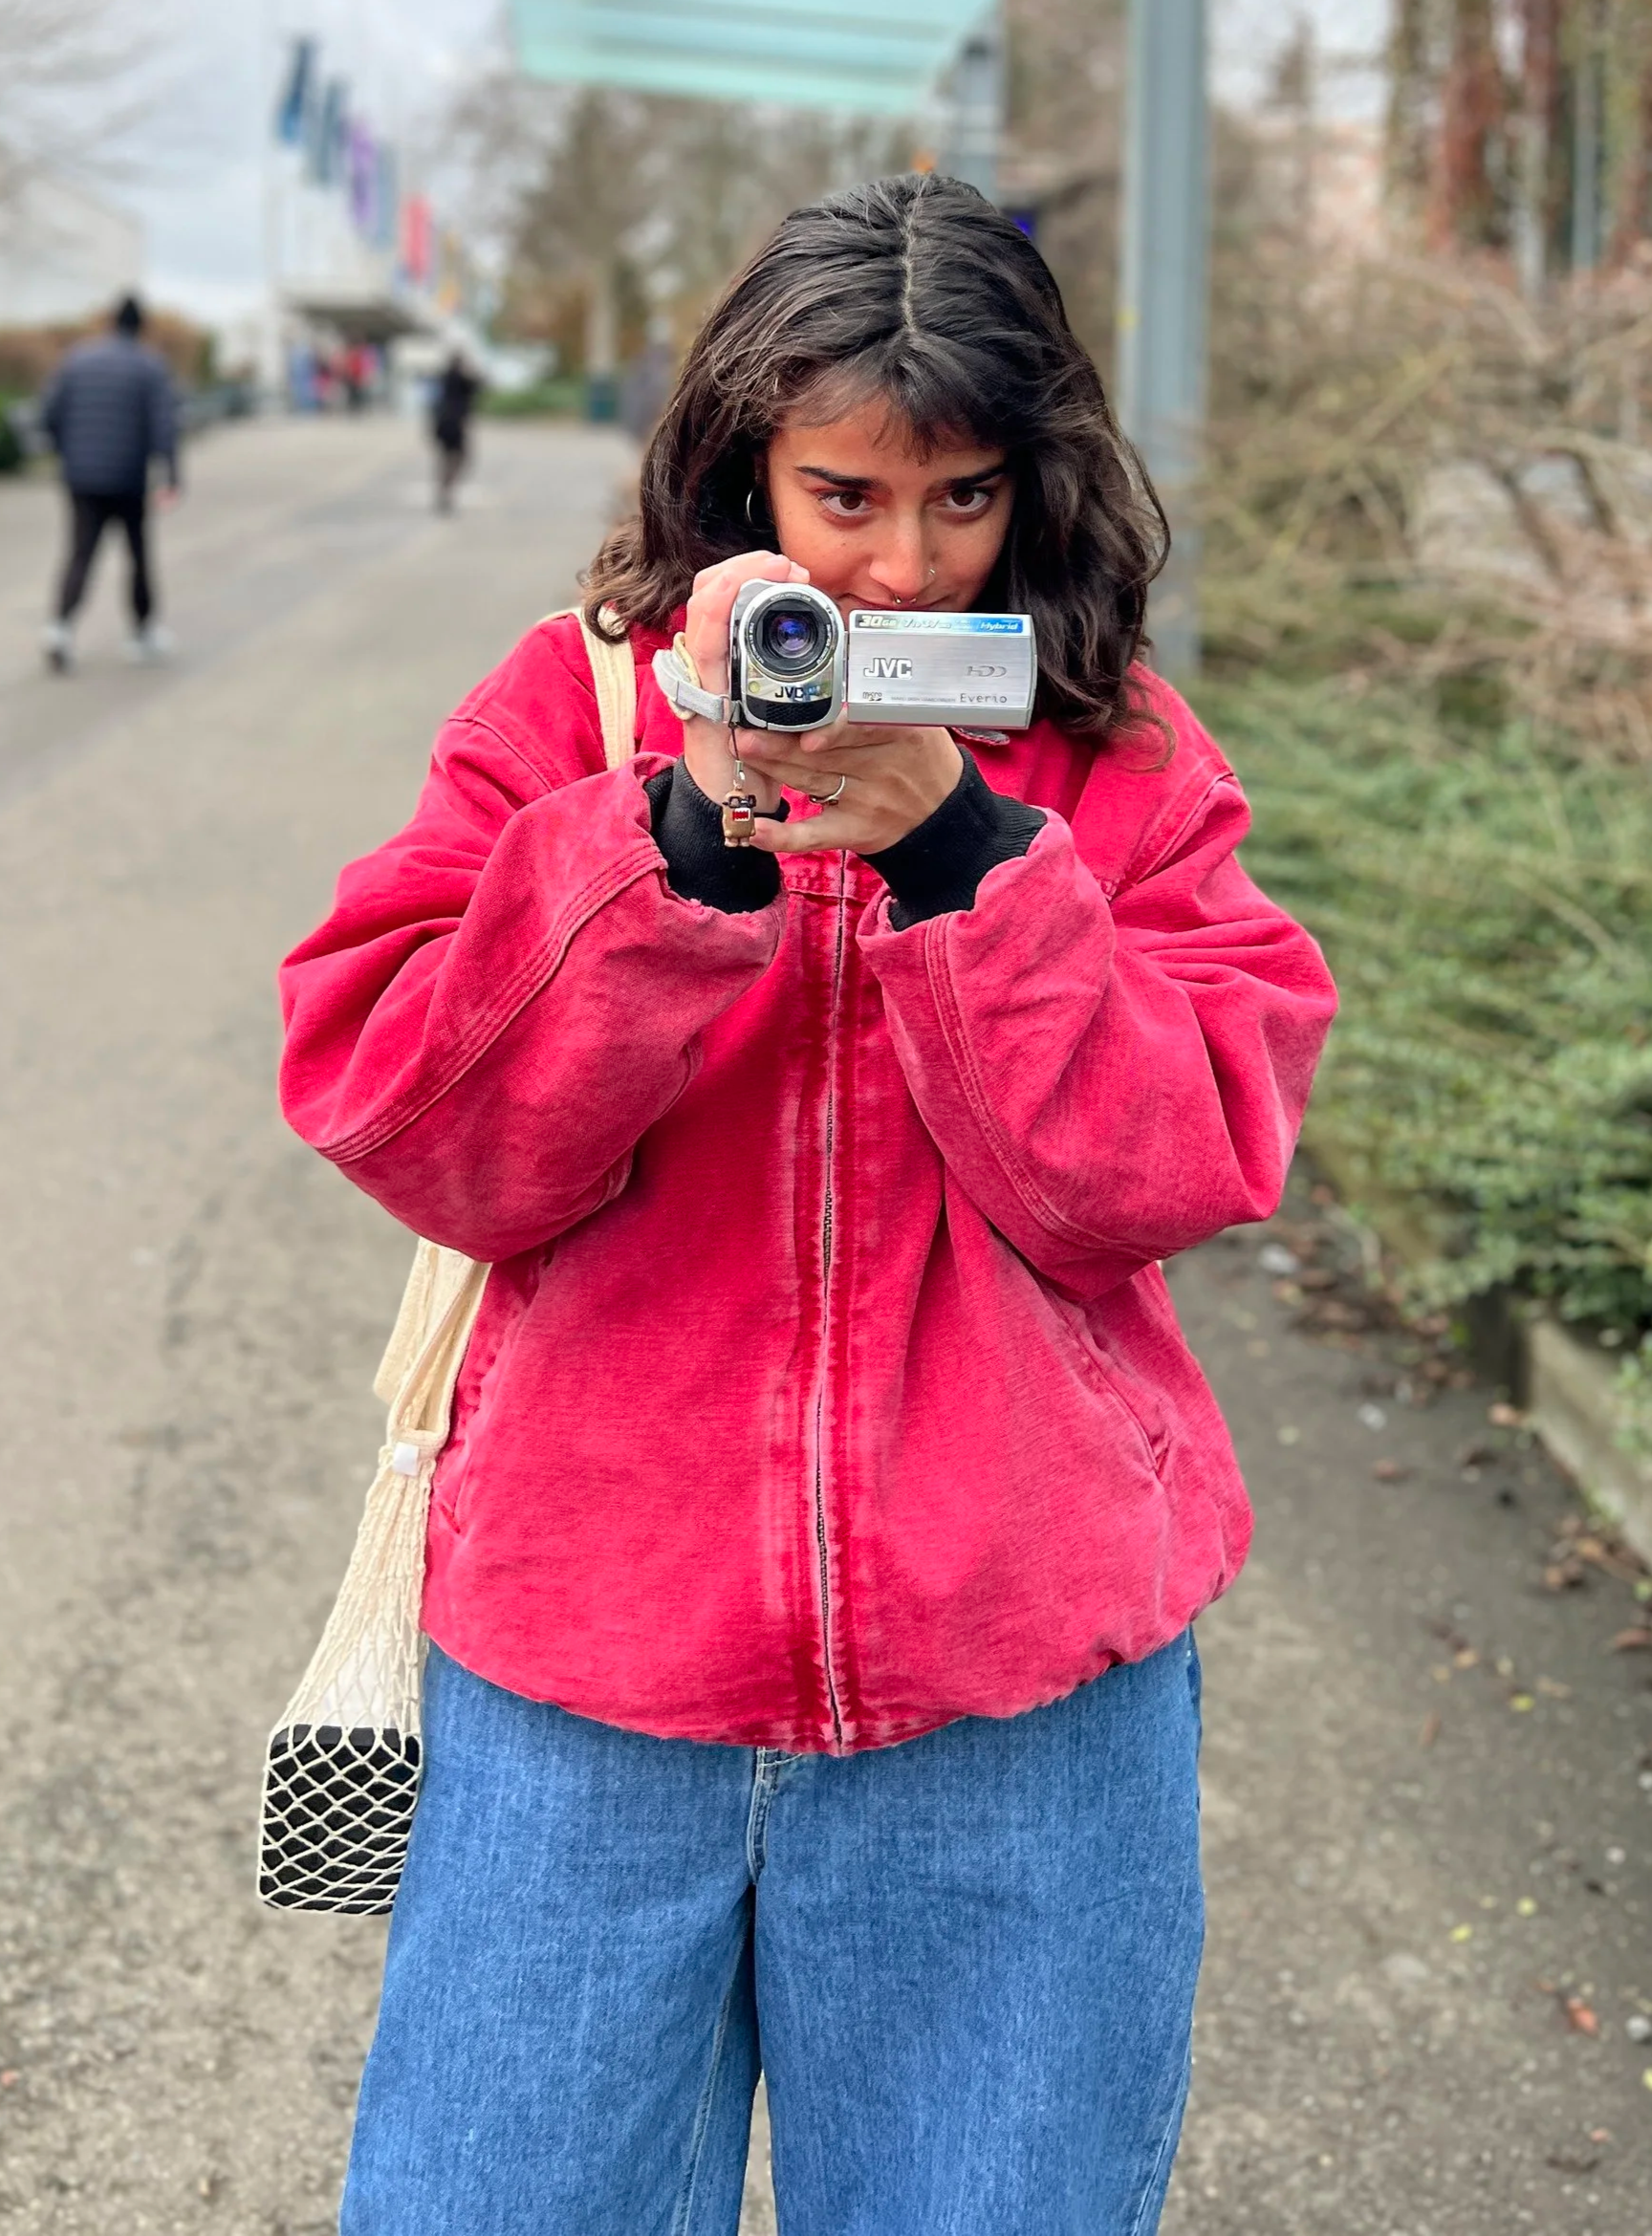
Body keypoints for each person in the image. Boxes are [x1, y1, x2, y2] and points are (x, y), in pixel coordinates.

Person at [278, 174, 1337, 2236]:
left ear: (1035, 485)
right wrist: (669, 842)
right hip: (593, 1672)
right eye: (840, 491)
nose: (897, 555)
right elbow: (417, 1121)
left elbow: (1173, 1162)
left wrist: (964, 866)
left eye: (962, 498)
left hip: (1016, 1689)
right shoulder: (574, 710)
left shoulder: (1109, 752)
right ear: (736, 462)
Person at [39, 294, 180, 672]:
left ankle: (60, 629)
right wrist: (170, 476)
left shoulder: (77, 359)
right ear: (141, 326)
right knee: (136, 556)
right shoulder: (150, 366)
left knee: (81, 552)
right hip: (127, 477)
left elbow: (50, 414)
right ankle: (142, 632)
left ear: (111, 322)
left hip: (81, 476)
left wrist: (65, 451)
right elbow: (164, 425)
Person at [429, 350, 479, 512]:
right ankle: (447, 490)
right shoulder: (463, 379)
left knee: (446, 458)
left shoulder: (443, 378)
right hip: (455, 423)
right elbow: (478, 387)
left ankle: (444, 490)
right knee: (458, 457)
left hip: (442, 422)